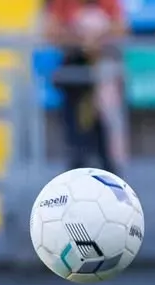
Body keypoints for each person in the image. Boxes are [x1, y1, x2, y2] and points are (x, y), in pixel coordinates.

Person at [43, 0, 127, 174]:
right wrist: (81, 38)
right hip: (76, 82)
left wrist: (97, 39)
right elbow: (51, 31)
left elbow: (122, 29)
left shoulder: (108, 3)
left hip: (105, 81)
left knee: (107, 142)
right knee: (77, 142)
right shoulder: (62, 3)